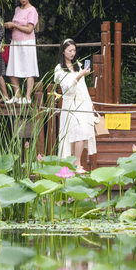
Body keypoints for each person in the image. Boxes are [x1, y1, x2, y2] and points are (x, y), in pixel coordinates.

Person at [54, 39, 96, 173]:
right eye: (69, 50)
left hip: (82, 102)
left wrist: (90, 104)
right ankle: (75, 164)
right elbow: (67, 87)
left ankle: (77, 162)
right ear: (63, 51)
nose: (72, 53)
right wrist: (79, 75)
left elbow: (83, 88)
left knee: (83, 131)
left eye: (74, 50)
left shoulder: (77, 64)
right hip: (70, 104)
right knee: (76, 132)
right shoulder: (59, 68)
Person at [4, 0, 40, 103]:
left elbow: (30, 29)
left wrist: (14, 25)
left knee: (29, 68)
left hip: (27, 42)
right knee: (12, 67)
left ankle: (28, 97)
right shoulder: (17, 9)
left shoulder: (32, 10)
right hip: (15, 41)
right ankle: (17, 95)